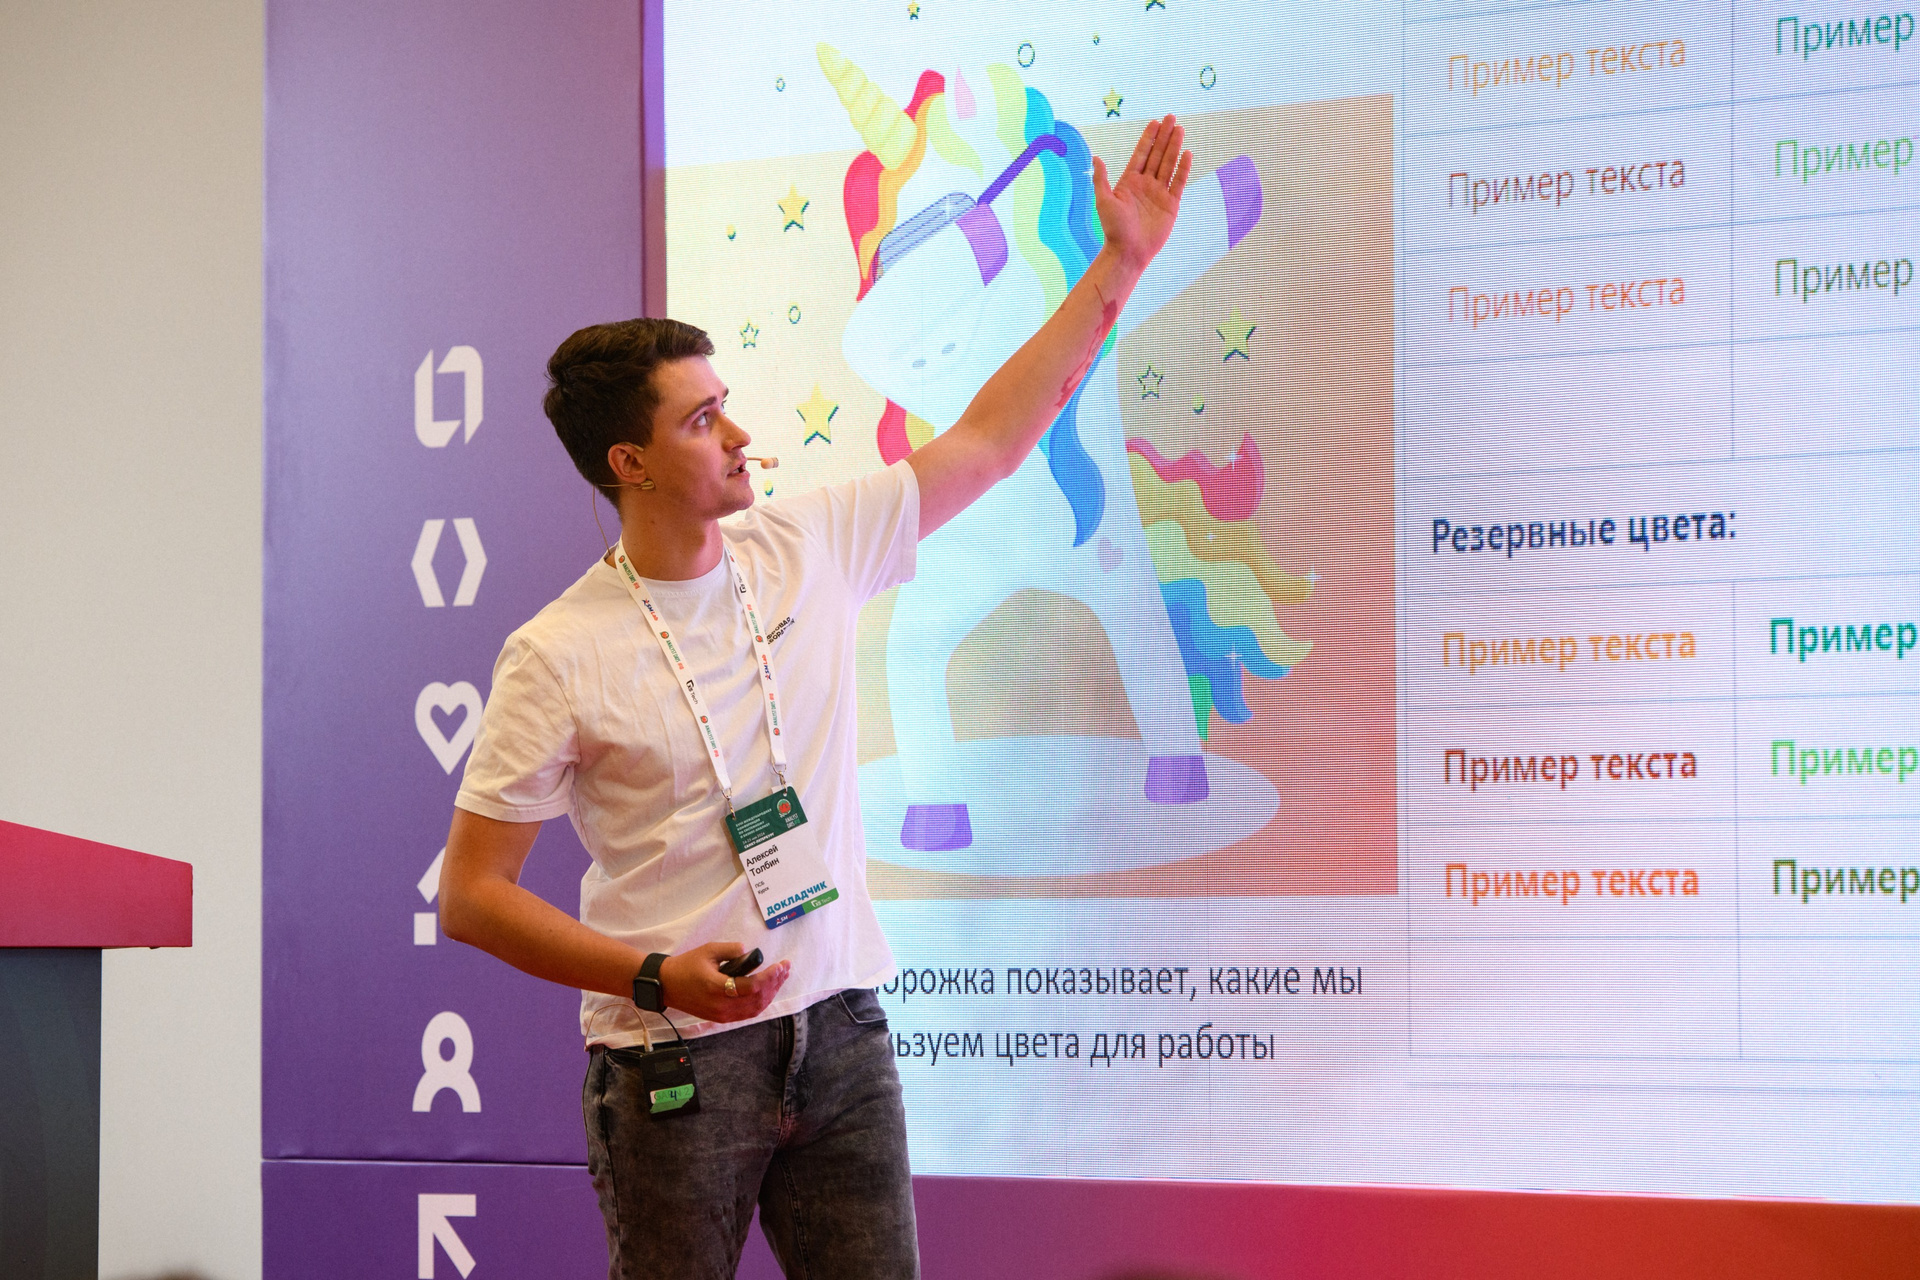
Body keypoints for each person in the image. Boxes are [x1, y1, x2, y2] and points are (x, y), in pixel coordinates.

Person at [439, 115, 1193, 1279]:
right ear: (630, 464)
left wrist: (1120, 265)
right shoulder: (556, 651)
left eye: (725, 402)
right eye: (702, 420)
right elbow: (473, 896)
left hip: (841, 1030)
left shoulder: (813, 540)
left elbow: (994, 438)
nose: (740, 434)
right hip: (672, 1056)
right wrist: (652, 973)